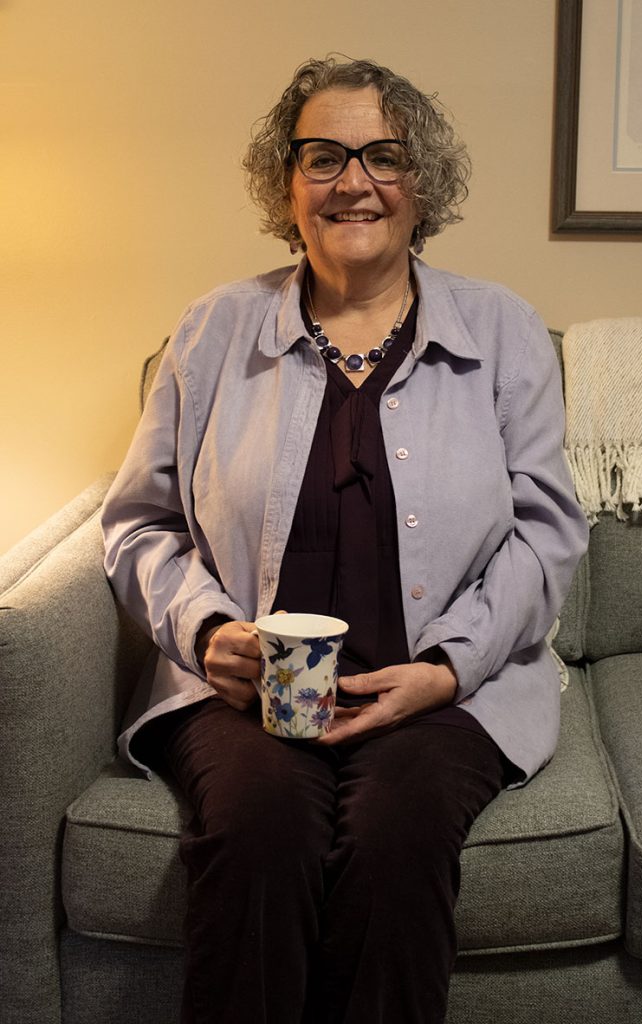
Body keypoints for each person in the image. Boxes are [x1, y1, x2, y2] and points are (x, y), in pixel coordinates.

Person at [102, 57, 589, 1024]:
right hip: (247, 694)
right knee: (259, 832)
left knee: (397, 837)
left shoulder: (502, 330)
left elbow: (545, 531)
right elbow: (138, 525)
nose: (354, 182)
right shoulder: (214, 330)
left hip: (441, 692)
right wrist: (205, 635)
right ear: (287, 184)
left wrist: (449, 668)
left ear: (422, 184)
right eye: (323, 157)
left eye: (384, 156)